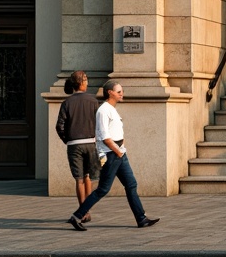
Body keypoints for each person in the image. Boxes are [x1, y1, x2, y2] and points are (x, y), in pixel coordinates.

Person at [67, 80, 160, 231]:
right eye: (119, 91)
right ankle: (77, 216)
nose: (122, 94)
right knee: (103, 189)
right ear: (110, 92)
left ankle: (141, 218)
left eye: (121, 91)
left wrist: (121, 151)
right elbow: (105, 137)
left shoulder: (111, 109)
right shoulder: (103, 110)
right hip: (112, 155)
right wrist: (118, 151)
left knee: (131, 184)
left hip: (119, 154)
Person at [55, 71, 101, 221]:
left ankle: (82, 212)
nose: (87, 82)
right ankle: (86, 210)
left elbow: (59, 126)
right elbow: (100, 125)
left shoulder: (67, 103)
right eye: (86, 79)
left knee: (79, 179)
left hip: (74, 145)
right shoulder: (93, 101)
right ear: (82, 83)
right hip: (90, 143)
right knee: (88, 177)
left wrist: (67, 140)